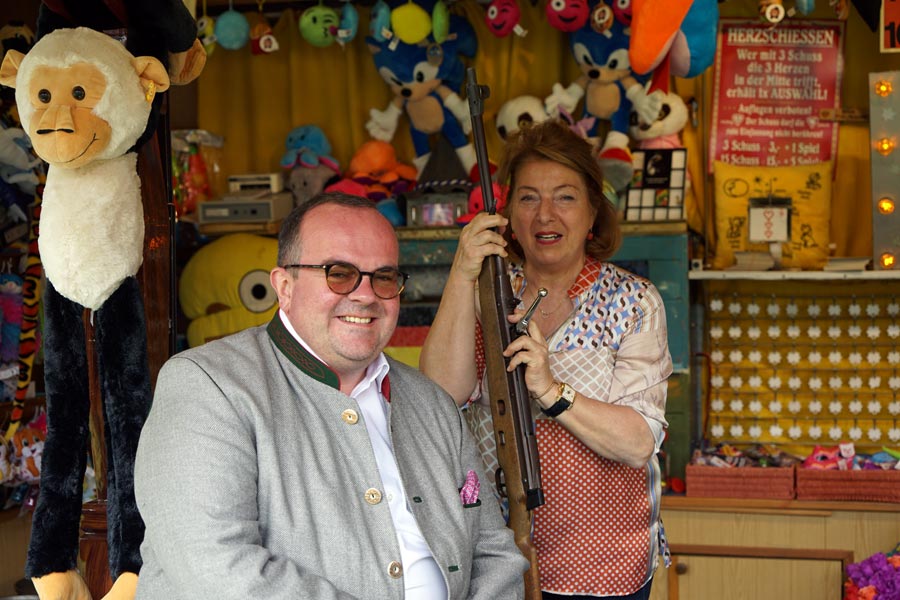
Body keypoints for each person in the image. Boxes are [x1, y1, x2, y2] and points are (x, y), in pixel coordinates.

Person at [134, 193, 529, 599]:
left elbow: (494, 554)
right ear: (284, 287)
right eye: (339, 273)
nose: (366, 295)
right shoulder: (208, 386)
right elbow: (216, 568)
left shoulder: (430, 403)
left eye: (384, 277)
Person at [420, 119, 673, 600]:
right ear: (508, 216)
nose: (545, 215)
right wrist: (462, 272)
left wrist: (553, 392)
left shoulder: (632, 301)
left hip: (602, 566)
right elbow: (440, 394)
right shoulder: (487, 294)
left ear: (593, 210)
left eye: (565, 197)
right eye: (529, 198)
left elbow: (639, 441)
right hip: (492, 554)